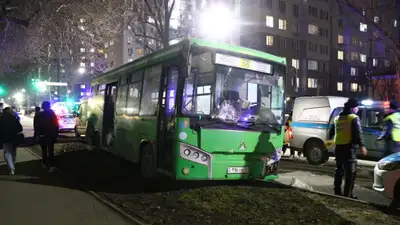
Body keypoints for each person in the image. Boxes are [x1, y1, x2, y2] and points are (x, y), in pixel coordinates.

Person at [328, 98, 367, 198]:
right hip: (349, 149)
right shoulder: (353, 118)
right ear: (353, 108)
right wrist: (362, 146)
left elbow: (331, 132)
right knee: (351, 173)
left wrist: (329, 142)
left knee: (339, 171)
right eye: (357, 107)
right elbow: (358, 133)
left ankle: (337, 192)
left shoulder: (337, 118)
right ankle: (347, 195)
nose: (357, 109)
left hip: (338, 148)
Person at [34, 101, 59, 172]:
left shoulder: (38, 115)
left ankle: (44, 163)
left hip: (42, 135)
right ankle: (52, 165)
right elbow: (56, 125)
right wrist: (56, 135)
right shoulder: (52, 114)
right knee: (51, 150)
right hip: (50, 135)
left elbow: (36, 127)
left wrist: (37, 135)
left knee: (44, 150)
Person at [0, 107, 23, 175]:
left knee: (7, 153)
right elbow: (20, 128)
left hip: (4, 138)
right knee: (13, 152)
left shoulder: (1, 118)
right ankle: (12, 164)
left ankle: (11, 168)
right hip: (14, 138)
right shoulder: (13, 118)